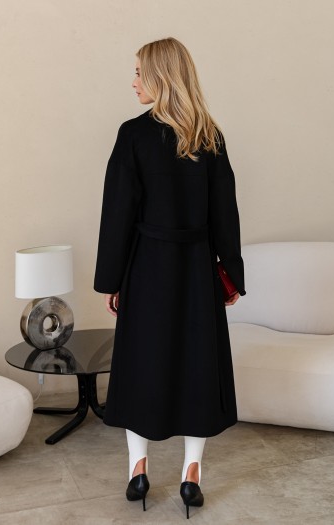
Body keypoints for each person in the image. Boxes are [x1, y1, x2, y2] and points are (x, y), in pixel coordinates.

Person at [93, 37, 246, 519]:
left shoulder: (133, 135)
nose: (133, 81)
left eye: (139, 72)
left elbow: (118, 213)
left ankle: (138, 470)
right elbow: (226, 212)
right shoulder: (210, 136)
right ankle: (191, 474)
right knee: (197, 364)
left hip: (146, 267)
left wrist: (112, 278)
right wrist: (230, 273)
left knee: (142, 363)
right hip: (196, 268)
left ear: (160, 76)